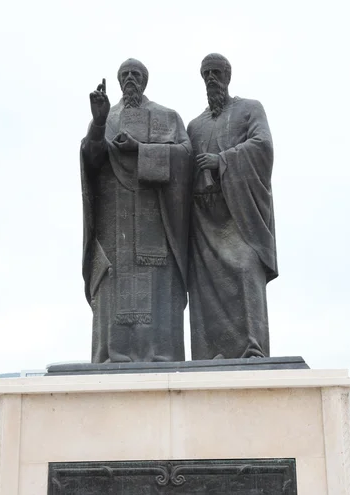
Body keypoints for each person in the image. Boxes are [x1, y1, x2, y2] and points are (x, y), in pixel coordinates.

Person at [81, 59, 192, 362]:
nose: (130, 79)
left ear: (144, 81)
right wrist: (99, 123)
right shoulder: (107, 117)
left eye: (136, 74)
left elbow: (185, 156)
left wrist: (139, 150)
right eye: (125, 75)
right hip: (113, 225)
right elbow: (90, 160)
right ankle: (113, 357)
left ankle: (160, 356)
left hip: (156, 222)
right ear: (118, 82)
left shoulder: (167, 117)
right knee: (112, 286)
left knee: (158, 289)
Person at [187, 53, 278, 360]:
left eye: (216, 72)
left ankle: (253, 349)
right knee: (206, 287)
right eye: (206, 74)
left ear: (227, 76)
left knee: (245, 267)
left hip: (241, 216)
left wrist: (222, 160)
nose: (211, 78)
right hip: (205, 220)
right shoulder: (194, 126)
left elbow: (263, 145)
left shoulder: (249, 109)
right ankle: (210, 353)